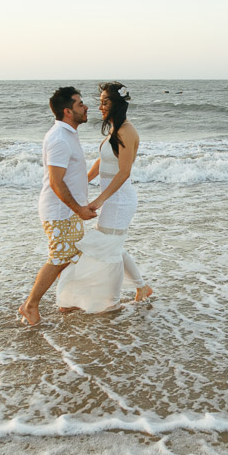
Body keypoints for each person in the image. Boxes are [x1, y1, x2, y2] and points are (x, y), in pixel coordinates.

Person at [55, 82, 153, 313]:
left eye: (105, 102)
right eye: (100, 102)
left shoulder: (127, 131)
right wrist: (82, 182)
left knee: (108, 248)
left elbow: (124, 171)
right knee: (113, 247)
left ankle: (110, 301)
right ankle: (141, 287)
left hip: (119, 200)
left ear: (118, 103)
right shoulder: (114, 129)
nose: (100, 107)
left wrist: (99, 200)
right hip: (111, 198)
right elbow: (103, 162)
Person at [18, 87, 96, 325]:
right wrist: (78, 209)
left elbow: (72, 176)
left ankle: (66, 300)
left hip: (67, 210)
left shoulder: (68, 134)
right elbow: (56, 181)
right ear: (67, 111)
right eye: (80, 104)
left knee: (71, 256)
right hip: (60, 211)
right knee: (59, 258)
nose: (85, 107)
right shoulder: (59, 138)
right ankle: (29, 305)